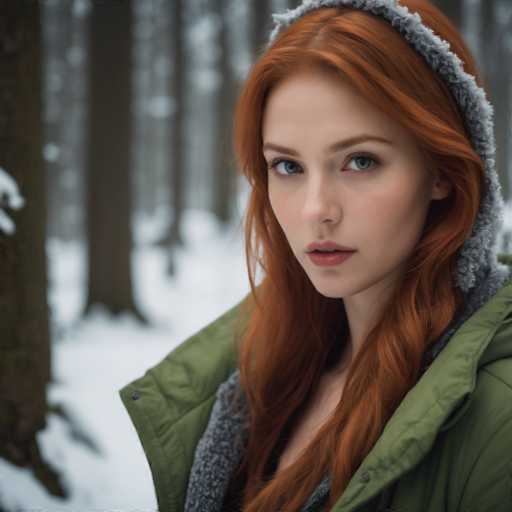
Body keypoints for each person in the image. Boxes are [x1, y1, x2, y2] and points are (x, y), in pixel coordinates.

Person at [119, 1, 512, 511]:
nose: (315, 210)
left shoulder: (498, 416)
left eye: (360, 161)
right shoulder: (262, 372)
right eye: (287, 166)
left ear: (442, 170)